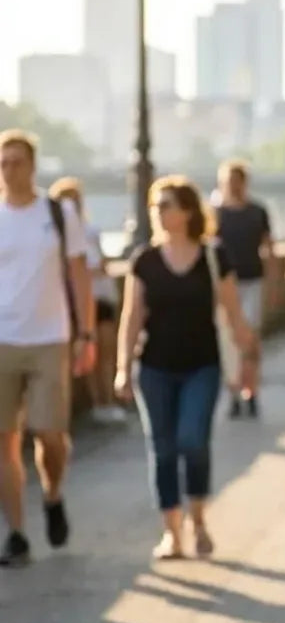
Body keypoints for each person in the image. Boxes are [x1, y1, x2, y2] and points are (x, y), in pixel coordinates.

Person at [115, 176, 255, 560]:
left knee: (192, 441)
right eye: (155, 206)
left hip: (202, 367)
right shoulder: (144, 260)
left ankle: (198, 520)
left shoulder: (214, 255)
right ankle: (172, 534)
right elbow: (131, 317)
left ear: (187, 211)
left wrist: (246, 360)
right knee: (162, 448)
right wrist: (122, 369)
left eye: (166, 205)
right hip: (155, 369)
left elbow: (232, 312)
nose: (158, 213)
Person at [0, 131, 95, 567]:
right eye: (3, 162)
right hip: (3, 339)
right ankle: (17, 533)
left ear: (33, 166)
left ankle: (53, 495)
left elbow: (79, 275)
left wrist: (87, 333)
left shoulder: (57, 214)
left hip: (50, 338)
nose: (9, 169)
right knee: (5, 439)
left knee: (49, 434)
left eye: (16, 161)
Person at [49, 177, 127, 426]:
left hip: (101, 297)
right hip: (74, 302)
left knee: (106, 350)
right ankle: (95, 404)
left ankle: (109, 400)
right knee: (83, 358)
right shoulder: (53, 235)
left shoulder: (91, 231)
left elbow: (102, 264)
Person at [213, 160, 272, 419]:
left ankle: (252, 391)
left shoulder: (257, 211)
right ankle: (234, 394)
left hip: (252, 280)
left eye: (237, 181)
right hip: (226, 284)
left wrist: (272, 281)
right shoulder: (216, 214)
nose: (233, 186)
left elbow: (268, 248)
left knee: (250, 340)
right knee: (230, 342)